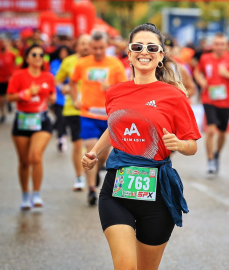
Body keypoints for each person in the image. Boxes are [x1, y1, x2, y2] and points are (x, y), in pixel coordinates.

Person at [81, 23, 201, 270]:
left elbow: (192, 145)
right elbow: (114, 127)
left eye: (151, 47)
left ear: (160, 56)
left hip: (157, 193)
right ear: (129, 53)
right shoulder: (114, 92)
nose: (143, 51)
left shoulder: (174, 96)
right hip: (117, 189)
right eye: (137, 46)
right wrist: (95, 152)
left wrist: (179, 144)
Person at [70, 31, 127, 206]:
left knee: (102, 155)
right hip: (87, 113)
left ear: (106, 46)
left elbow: (124, 88)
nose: (98, 51)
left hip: (108, 115)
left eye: (101, 48)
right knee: (90, 150)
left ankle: (99, 169)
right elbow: (72, 81)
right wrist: (75, 99)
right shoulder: (82, 63)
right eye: (95, 48)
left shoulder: (115, 64)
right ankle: (92, 189)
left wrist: (111, 87)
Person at [7, 44, 56, 210]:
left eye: (41, 55)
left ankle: (36, 194)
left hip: (41, 120)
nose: (38, 57)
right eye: (34, 54)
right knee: (24, 162)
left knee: (35, 156)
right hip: (22, 120)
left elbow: (52, 95)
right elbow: (10, 97)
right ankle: (25, 194)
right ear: (27, 58)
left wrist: (52, 98)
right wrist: (26, 93)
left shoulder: (48, 76)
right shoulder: (19, 75)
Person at [194, 32, 229, 174]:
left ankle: (217, 154)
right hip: (209, 99)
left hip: (226, 101)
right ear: (213, 45)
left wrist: (226, 74)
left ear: (226, 45)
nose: (219, 47)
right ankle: (210, 160)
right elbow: (197, 72)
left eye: (222, 44)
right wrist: (201, 80)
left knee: (222, 133)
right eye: (217, 44)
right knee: (210, 131)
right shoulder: (205, 58)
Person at [55, 34, 91, 191]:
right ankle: (79, 178)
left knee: (92, 145)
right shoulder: (69, 61)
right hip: (72, 108)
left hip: (93, 109)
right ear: (76, 46)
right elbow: (57, 79)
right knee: (77, 144)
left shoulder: (97, 62)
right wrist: (62, 87)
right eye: (82, 43)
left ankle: (92, 172)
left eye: (88, 44)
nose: (85, 46)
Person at [50, 45, 73, 152]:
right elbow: (54, 78)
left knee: (65, 120)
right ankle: (60, 138)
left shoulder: (72, 62)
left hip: (69, 97)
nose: (63, 54)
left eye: (65, 52)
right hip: (58, 96)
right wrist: (60, 87)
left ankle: (61, 134)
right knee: (60, 118)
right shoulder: (54, 63)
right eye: (61, 52)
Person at [0, 38, 16, 123]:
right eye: (2, 43)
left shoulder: (12, 54)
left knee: (8, 96)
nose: (3, 45)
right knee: (0, 99)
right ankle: (3, 114)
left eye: (5, 43)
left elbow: (16, 64)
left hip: (9, 79)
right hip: (0, 80)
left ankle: (9, 104)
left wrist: (13, 75)